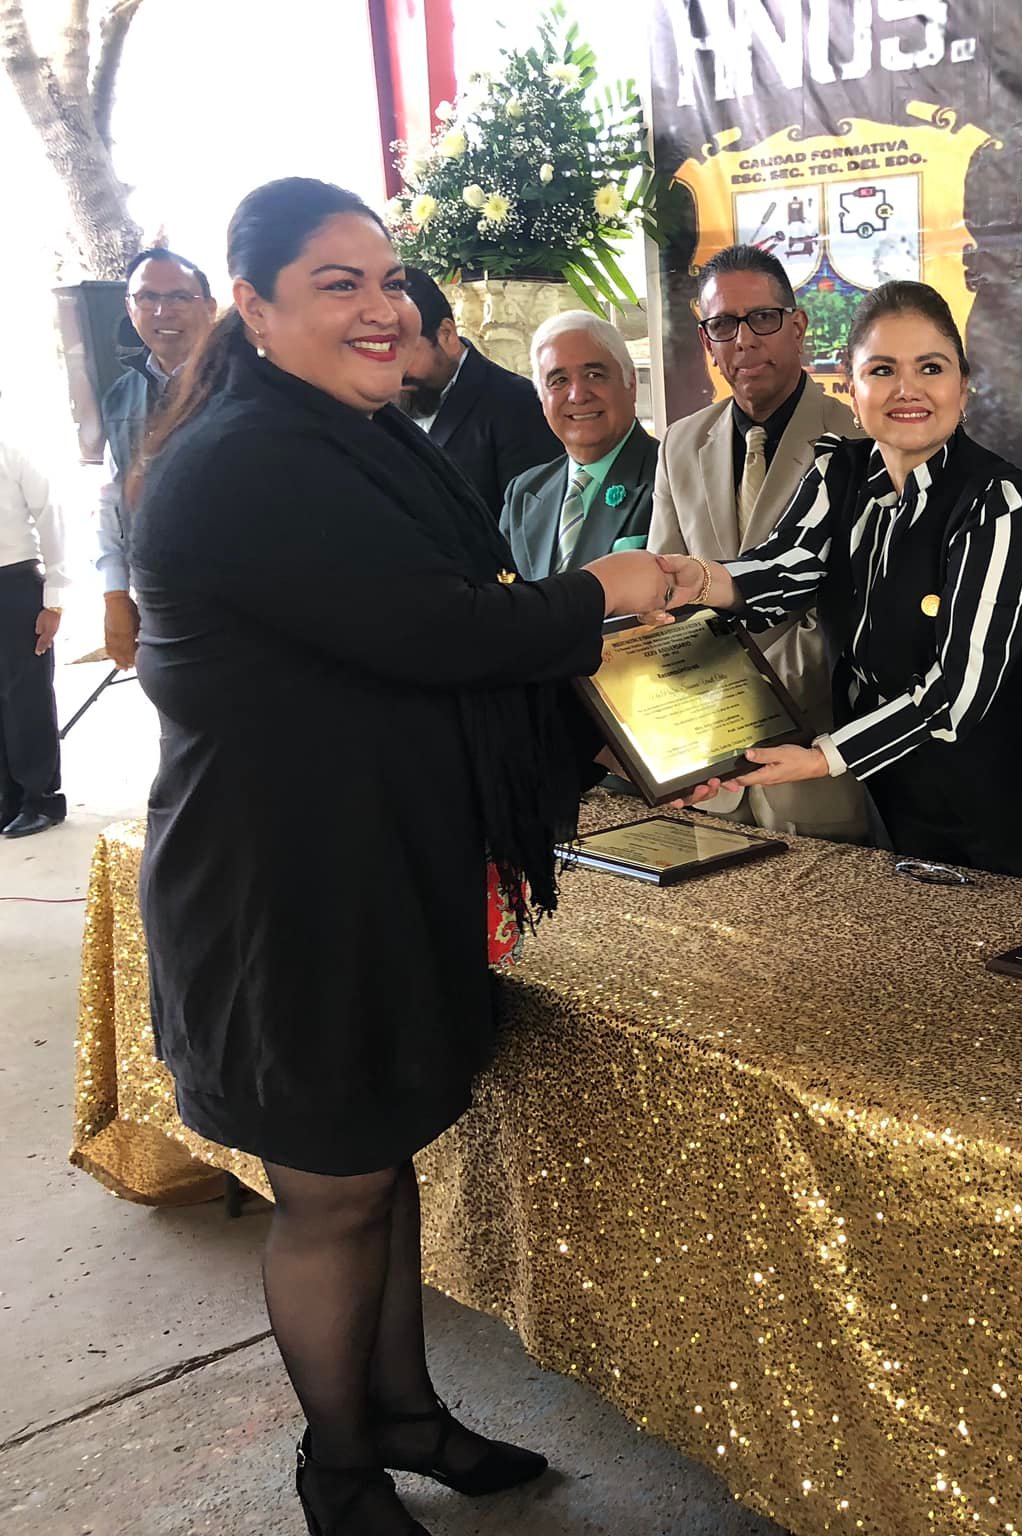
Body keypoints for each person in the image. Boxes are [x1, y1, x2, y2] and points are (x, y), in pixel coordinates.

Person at [129, 178, 686, 1535]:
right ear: (251, 306)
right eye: (337, 283)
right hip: (286, 897)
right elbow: (443, 632)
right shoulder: (249, 462)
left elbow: (454, 628)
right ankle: (339, 1464)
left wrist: (628, 732)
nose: (380, 309)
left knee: (379, 1164)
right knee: (330, 1194)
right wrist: (607, 590)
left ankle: (408, 1414)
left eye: (388, 280)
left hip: (374, 864)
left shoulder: (358, 432)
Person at [669, 280, 1022, 883]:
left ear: (963, 385)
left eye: (931, 367)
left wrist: (823, 758)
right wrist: (689, 582)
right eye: (882, 369)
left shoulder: (1004, 506)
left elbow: (955, 696)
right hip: (905, 793)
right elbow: (783, 570)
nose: (908, 390)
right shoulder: (836, 471)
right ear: (849, 386)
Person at [648, 244, 870, 840]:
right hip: (712, 762)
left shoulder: (861, 440)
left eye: (762, 319)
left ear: (798, 327)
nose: (743, 340)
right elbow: (663, 597)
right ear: (707, 341)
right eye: (723, 324)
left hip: (819, 749)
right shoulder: (678, 443)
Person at [98, 246, 213, 671]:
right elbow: (110, 501)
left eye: (181, 297)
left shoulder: (243, 385)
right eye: (147, 298)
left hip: (238, 601)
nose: (163, 310)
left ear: (210, 307)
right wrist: (114, 593)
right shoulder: (120, 397)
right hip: (157, 605)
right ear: (130, 309)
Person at [498, 310, 657, 581]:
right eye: (559, 381)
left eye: (594, 375)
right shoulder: (525, 492)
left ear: (630, 382)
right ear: (541, 398)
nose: (578, 395)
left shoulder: (672, 477)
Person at [398, 267, 557, 512]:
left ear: (447, 335)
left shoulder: (517, 405)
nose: (393, 370)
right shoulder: (379, 402)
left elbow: (528, 530)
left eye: (405, 353)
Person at [0, 426, 66, 837]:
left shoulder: (14, 446)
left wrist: (54, 598)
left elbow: (51, 515)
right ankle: (7, 798)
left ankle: (40, 799)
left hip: (15, 581)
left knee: (26, 695)